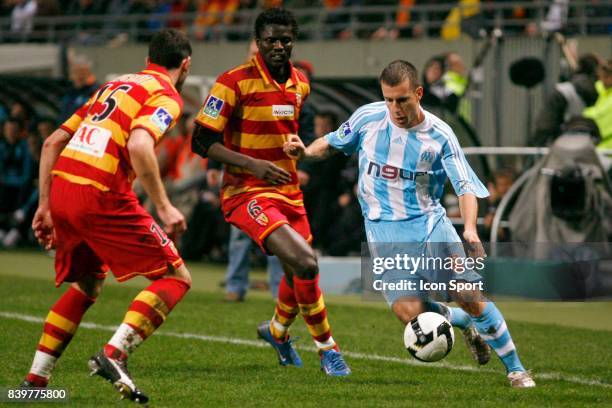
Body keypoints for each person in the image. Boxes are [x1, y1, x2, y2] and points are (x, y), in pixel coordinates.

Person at [284, 60, 535, 388]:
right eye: (389, 99)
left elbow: (465, 187)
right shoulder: (368, 118)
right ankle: (466, 324)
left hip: (429, 224)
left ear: (417, 93)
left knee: (466, 292)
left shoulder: (440, 135)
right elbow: (330, 142)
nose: (395, 108)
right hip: (382, 232)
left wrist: (470, 228)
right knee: (410, 314)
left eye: (402, 99)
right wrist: (304, 152)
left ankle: (516, 370)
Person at [21, 29, 193, 403]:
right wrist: (163, 205)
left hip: (64, 185)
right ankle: (114, 353)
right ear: (186, 64)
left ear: (148, 58)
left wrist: (45, 205)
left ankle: (35, 384)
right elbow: (140, 144)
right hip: (100, 191)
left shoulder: (114, 86)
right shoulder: (166, 95)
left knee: (87, 284)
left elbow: (53, 141)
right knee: (176, 276)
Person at [192, 8, 350, 376]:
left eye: (285, 40)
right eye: (270, 40)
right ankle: (328, 349)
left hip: (289, 190)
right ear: (258, 42)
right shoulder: (233, 82)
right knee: (307, 263)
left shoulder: (300, 83)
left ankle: (278, 332)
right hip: (246, 191)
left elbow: (289, 130)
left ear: (293, 40)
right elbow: (201, 141)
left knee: (297, 270)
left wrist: (298, 147)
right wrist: (252, 164)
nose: (278, 46)